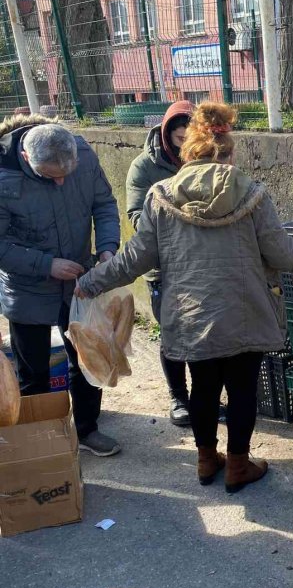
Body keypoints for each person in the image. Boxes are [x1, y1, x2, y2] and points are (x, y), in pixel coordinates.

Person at [76, 102, 293, 489]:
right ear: (228, 151)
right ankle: (238, 466)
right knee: (243, 389)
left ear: (187, 154)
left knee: (203, 387)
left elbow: (133, 259)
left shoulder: (159, 196)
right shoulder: (253, 193)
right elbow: (283, 255)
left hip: (190, 313)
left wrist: (92, 281)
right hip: (244, 308)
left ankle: (205, 460)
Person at [0, 116, 121, 456]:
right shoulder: (3, 176)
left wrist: (109, 246)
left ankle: (86, 429)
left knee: (87, 359)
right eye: (53, 176)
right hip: (26, 291)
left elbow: (104, 204)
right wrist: (46, 265)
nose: (63, 181)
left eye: (68, 173)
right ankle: (42, 439)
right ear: (27, 159)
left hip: (79, 284)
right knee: (33, 371)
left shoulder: (82, 153)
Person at [125, 100, 227, 428]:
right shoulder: (145, 167)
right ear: (168, 133)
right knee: (172, 335)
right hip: (164, 269)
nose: (184, 142)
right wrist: (178, 218)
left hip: (201, 263)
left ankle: (204, 397)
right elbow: (137, 216)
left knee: (203, 336)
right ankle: (178, 396)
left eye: (189, 136)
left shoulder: (207, 157)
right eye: (178, 136)